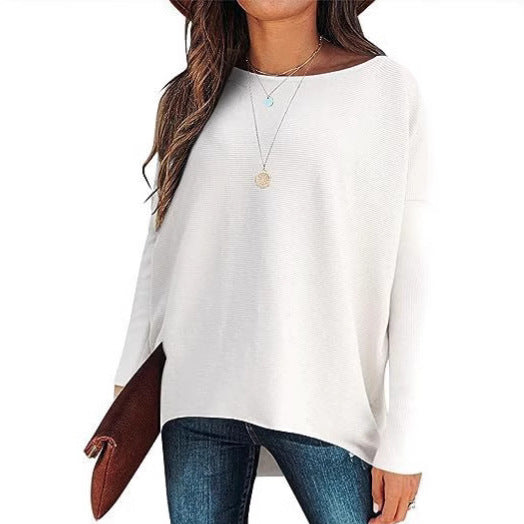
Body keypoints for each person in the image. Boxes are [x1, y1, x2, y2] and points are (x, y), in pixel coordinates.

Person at [113, 1, 431, 523]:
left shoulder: (386, 89)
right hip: (197, 390)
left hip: (325, 398)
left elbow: (413, 269)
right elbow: (161, 244)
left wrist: (406, 440)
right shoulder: (193, 93)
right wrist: (130, 374)